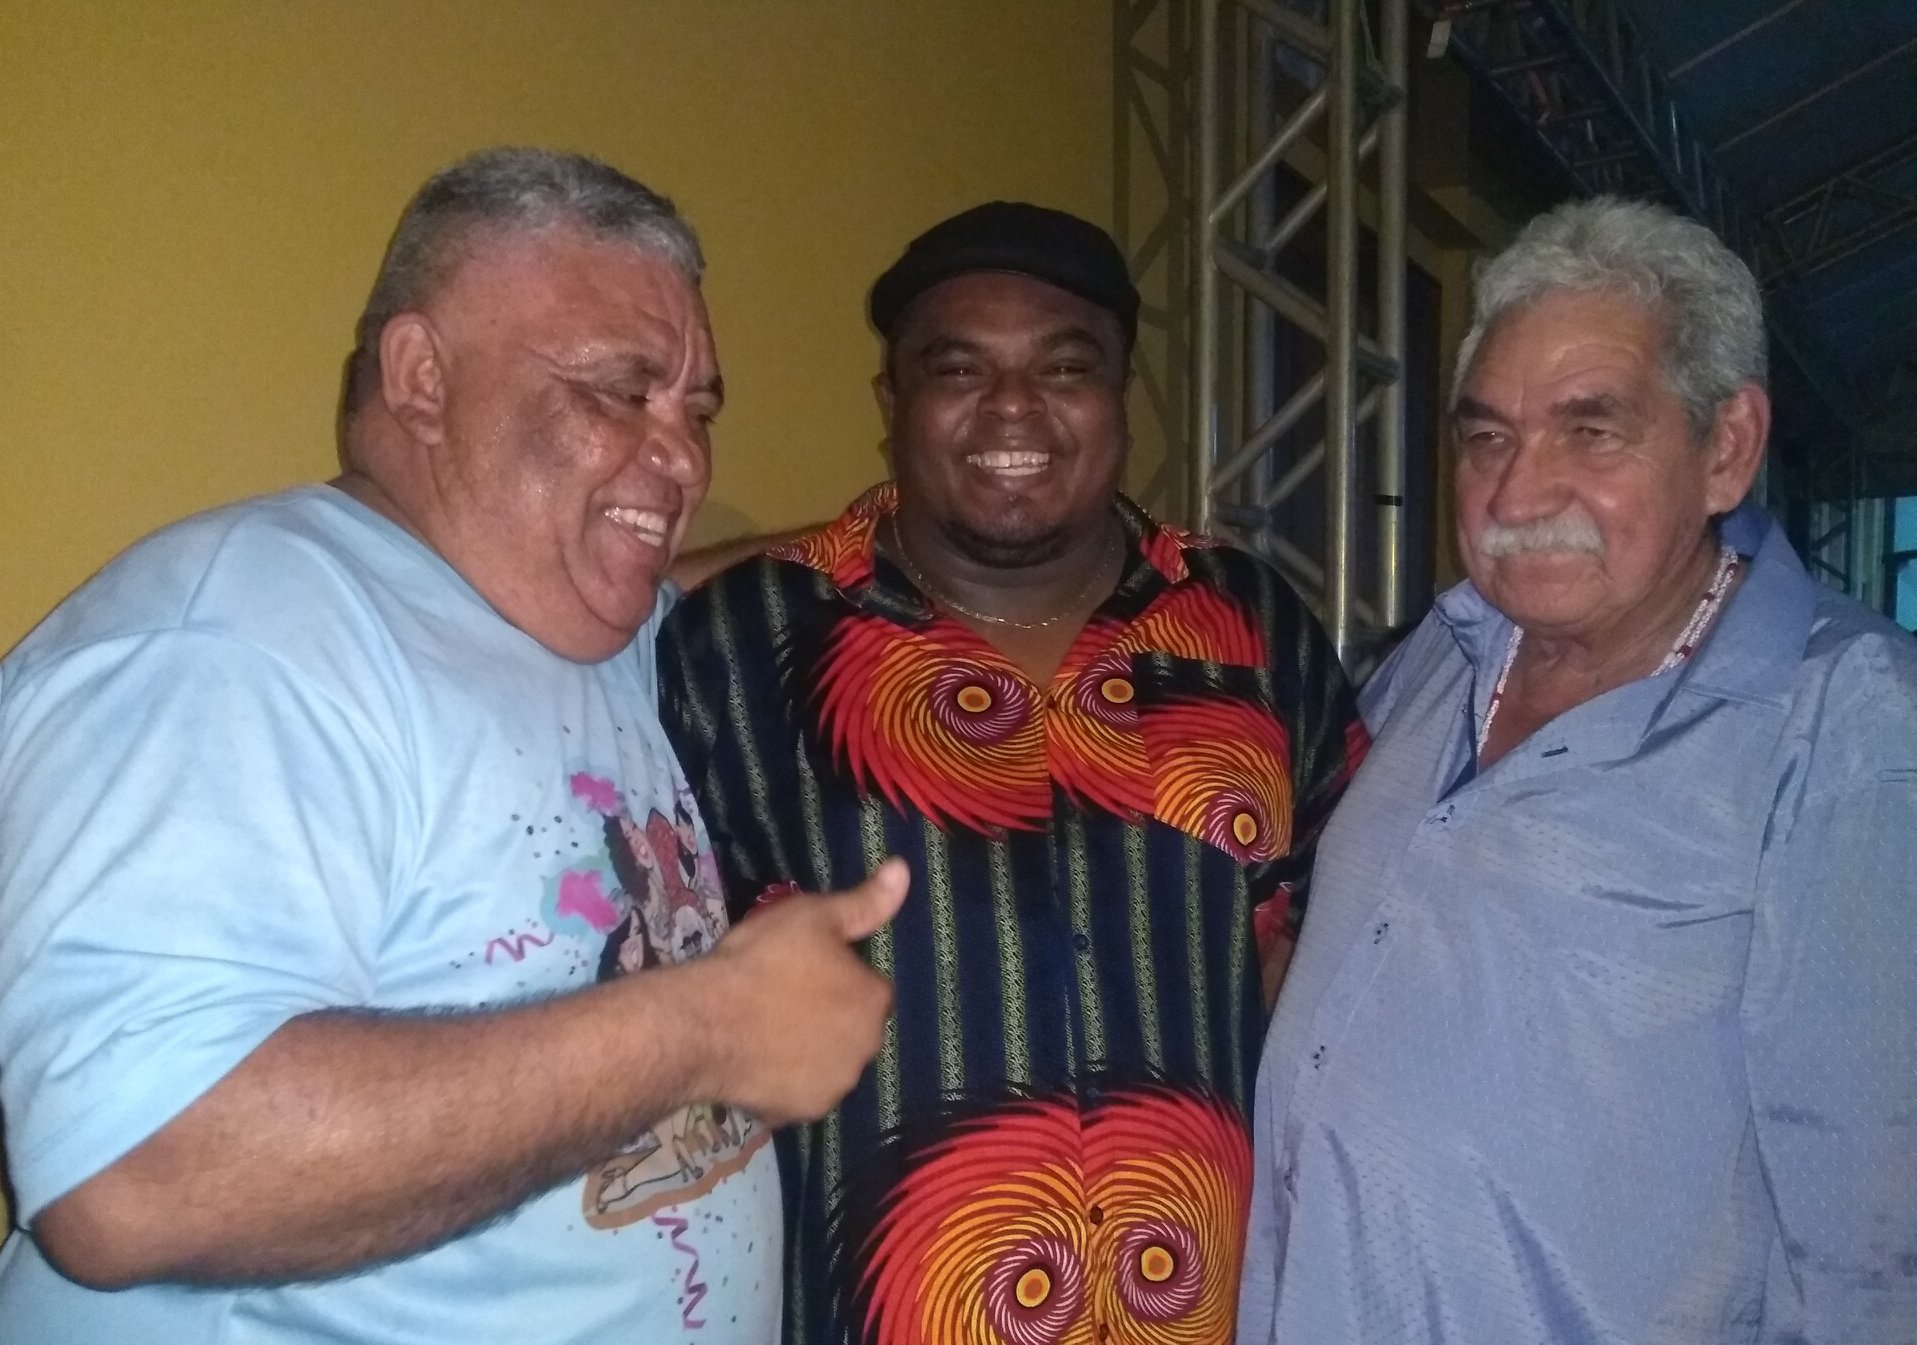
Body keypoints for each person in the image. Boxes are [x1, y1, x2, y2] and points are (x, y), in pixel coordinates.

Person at [0, 147, 906, 1344]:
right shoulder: (236, 642)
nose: (687, 456)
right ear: (422, 378)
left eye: (697, 408)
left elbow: (711, 584)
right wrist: (711, 1028)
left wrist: (926, 519)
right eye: (619, 391)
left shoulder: (573, 627)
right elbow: (139, 1173)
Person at [657, 201, 1367, 1345]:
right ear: (892, 403)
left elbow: (1335, 934)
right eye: (958, 369)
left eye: (1066, 367)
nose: (1013, 406)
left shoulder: (1251, 625)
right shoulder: (742, 642)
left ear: (1121, 395)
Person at [1238, 197, 1917, 1345]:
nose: (1516, 496)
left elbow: (1876, 1258)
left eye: (1590, 432)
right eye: (1487, 438)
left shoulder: (1850, 730)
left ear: (1728, 448)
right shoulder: (1440, 657)